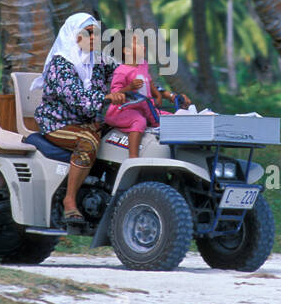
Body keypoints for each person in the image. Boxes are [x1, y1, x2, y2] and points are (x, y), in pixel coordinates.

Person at [33, 12, 138, 226]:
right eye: (88, 33)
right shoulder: (60, 65)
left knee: (121, 135)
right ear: (74, 35)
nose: (94, 38)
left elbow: (122, 75)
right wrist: (108, 96)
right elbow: (78, 99)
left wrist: (160, 92)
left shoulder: (98, 61)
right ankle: (70, 200)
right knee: (88, 142)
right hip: (58, 123)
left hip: (89, 122)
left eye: (96, 34)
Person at [104, 28, 188, 158]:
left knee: (170, 118)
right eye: (137, 43)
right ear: (126, 51)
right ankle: (133, 157)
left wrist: (159, 95)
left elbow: (149, 82)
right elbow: (115, 93)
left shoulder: (143, 64)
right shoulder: (122, 71)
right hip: (123, 110)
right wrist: (129, 88)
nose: (143, 46)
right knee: (139, 121)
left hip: (146, 108)